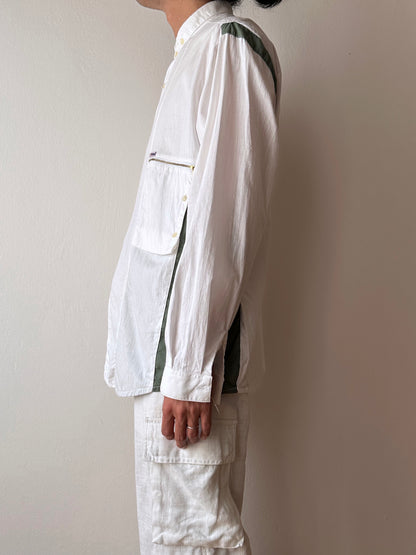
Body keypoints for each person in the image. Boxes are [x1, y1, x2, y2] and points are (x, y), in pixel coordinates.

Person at [103, 0, 282, 551]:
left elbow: (223, 219)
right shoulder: (200, 52)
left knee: (190, 545)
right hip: (172, 379)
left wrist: (186, 372)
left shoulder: (228, 48)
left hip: (184, 383)